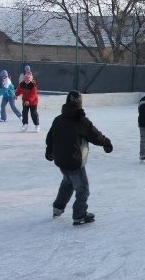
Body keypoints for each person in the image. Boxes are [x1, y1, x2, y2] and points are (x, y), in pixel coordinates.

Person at [45, 90, 113, 226]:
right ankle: (79, 215)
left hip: (60, 160)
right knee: (82, 189)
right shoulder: (81, 121)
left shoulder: (58, 119)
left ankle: (57, 208)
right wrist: (106, 143)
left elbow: (50, 137)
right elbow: (95, 135)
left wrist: (49, 151)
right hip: (74, 161)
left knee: (67, 183)